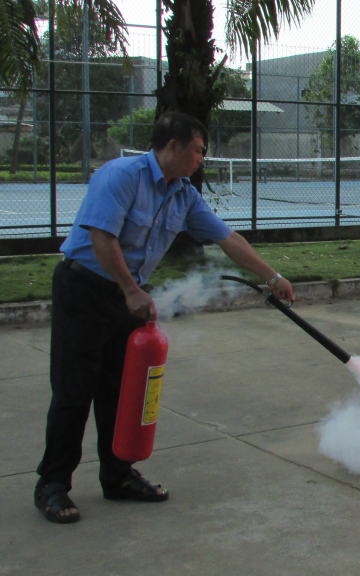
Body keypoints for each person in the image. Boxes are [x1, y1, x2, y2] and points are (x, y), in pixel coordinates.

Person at [34, 112, 294, 524]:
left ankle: (116, 476)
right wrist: (131, 289)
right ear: (172, 146)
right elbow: (101, 237)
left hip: (127, 298)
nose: (201, 160)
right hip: (85, 290)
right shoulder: (121, 175)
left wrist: (272, 276)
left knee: (120, 393)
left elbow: (227, 238)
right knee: (73, 391)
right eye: (198, 151)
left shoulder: (184, 195)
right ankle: (52, 484)